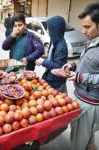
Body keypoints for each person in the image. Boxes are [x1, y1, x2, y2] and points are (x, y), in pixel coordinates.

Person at [62, 3, 99, 150]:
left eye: (88, 27)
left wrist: (79, 77)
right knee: (86, 134)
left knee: (78, 138)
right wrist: (73, 66)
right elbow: (86, 61)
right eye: (82, 26)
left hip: (90, 103)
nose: (83, 31)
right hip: (81, 96)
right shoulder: (92, 41)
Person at [35, 16, 68, 92]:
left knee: (58, 101)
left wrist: (43, 62)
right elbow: (52, 58)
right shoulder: (54, 41)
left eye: (49, 29)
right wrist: (44, 58)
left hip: (57, 83)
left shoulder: (61, 46)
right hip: (50, 78)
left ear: (55, 30)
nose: (47, 31)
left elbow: (59, 67)